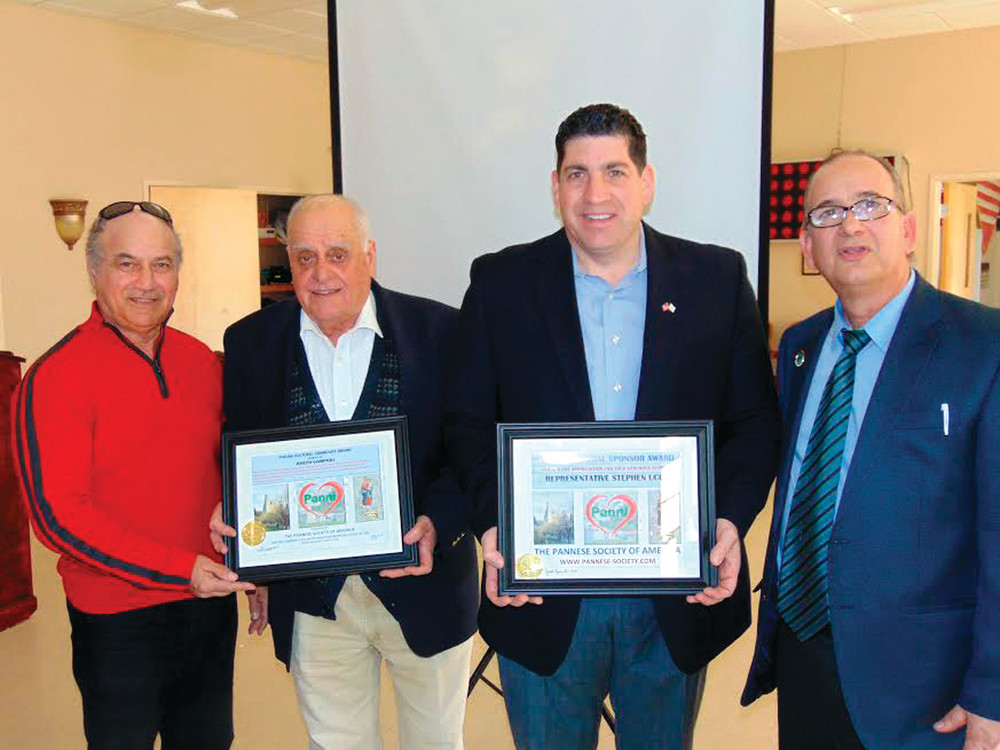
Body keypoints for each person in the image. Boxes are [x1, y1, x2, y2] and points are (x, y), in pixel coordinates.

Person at [444, 103, 781, 749]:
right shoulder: (500, 283)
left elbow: (754, 421)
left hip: (674, 594)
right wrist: (494, 527)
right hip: (543, 592)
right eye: (576, 174)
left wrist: (730, 522)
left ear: (647, 182)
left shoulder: (716, 278)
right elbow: (465, 422)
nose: (595, 194)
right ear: (555, 186)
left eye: (615, 171)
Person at [742, 151, 1000, 749]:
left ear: (907, 230)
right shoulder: (801, 348)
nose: (851, 226)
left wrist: (991, 690)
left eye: (869, 206)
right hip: (805, 656)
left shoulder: (983, 347)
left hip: (925, 690)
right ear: (807, 246)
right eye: (828, 214)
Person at [216, 194, 478, 750]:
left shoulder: (444, 332)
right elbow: (240, 452)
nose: (321, 273)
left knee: (436, 742)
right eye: (305, 257)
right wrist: (249, 543)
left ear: (370, 256)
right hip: (315, 601)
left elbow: (469, 454)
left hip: (425, 585)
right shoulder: (249, 343)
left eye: (338, 254)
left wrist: (439, 522)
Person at [12, 201, 253, 749]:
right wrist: (179, 569)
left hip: (207, 606)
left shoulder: (203, 363)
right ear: (94, 270)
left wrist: (256, 563)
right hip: (116, 620)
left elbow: (231, 478)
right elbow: (57, 520)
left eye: (162, 265)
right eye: (127, 264)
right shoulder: (56, 378)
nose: (147, 282)